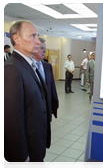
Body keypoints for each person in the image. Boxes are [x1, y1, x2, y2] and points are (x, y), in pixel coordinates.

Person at [4, 20, 51, 168]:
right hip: (25, 152)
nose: (37, 41)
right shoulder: (11, 69)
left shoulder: (29, 64)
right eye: (32, 36)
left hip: (35, 145)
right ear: (16, 39)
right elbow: (12, 118)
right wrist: (20, 155)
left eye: (37, 36)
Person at [32, 37, 59, 121]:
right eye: (42, 48)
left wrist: (54, 104)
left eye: (45, 48)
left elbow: (52, 88)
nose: (44, 51)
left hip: (47, 109)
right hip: (34, 110)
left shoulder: (47, 66)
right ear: (34, 49)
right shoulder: (27, 67)